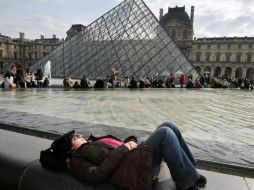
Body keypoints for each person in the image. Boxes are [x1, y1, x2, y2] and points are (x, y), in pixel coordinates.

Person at [51, 121, 207, 190]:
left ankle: (190, 169)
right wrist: (125, 148)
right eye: (74, 137)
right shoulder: (77, 160)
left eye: (77, 134)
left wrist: (129, 141)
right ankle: (185, 183)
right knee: (165, 133)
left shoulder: (91, 142)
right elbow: (96, 175)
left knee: (168, 125)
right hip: (134, 170)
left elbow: (116, 146)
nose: (78, 135)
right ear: (70, 149)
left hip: (133, 157)